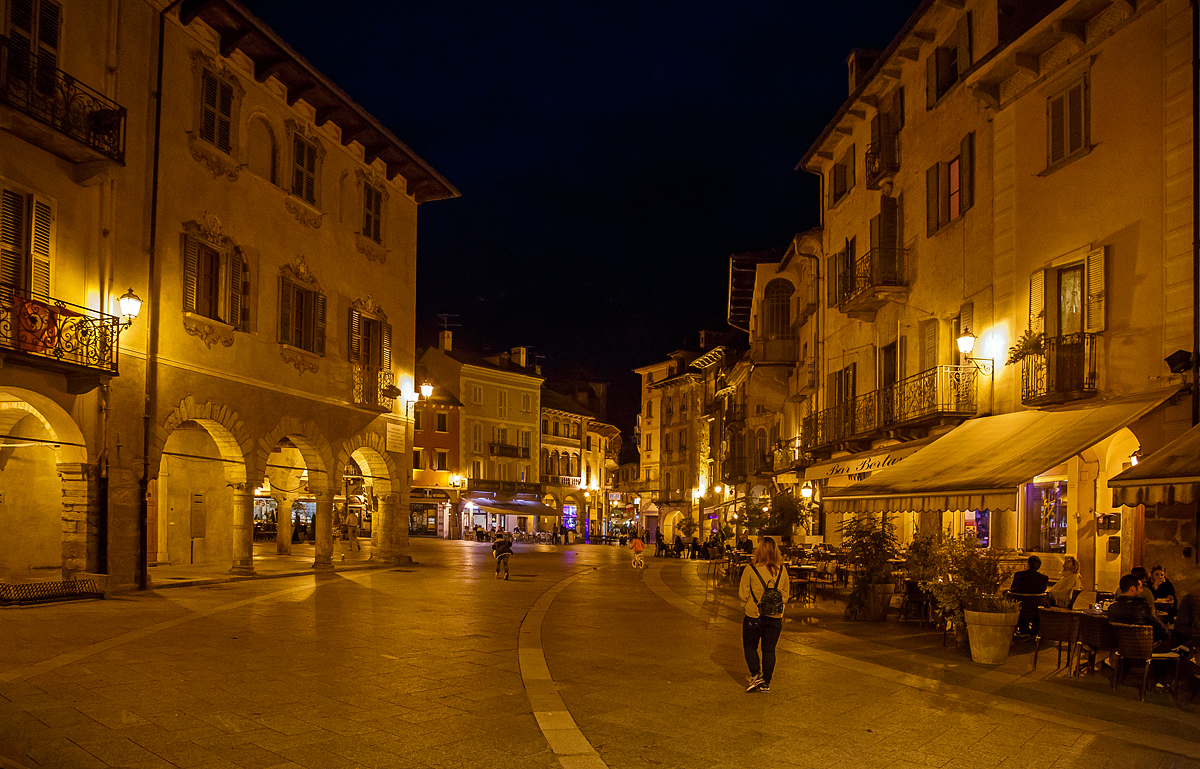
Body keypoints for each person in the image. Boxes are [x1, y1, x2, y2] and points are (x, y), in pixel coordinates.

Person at [739, 535, 787, 693]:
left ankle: (755, 675)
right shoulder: (782, 569)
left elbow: (743, 594)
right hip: (775, 616)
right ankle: (766, 682)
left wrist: (748, 603)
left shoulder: (750, 568)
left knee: (750, 646)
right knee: (769, 649)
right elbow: (785, 594)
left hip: (754, 614)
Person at [1107, 573, 1171, 651]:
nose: (1142, 590)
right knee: (1169, 635)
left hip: (1121, 647)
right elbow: (1161, 631)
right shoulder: (1143, 608)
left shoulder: (1112, 608)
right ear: (1133, 589)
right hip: (1143, 648)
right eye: (1140, 587)